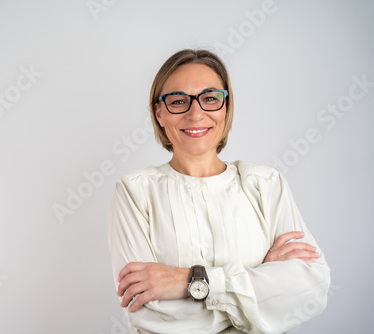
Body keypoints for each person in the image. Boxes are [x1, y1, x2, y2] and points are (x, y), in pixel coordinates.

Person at [108, 49, 330, 334]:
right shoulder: (134, 192)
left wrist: (189, 282)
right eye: (178, 101)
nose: (196, 113)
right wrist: (260, 281)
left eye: (210, 98)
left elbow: (311, 289)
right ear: (159, 113)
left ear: (226, 108)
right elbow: (150, 316)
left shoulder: (266, 183)